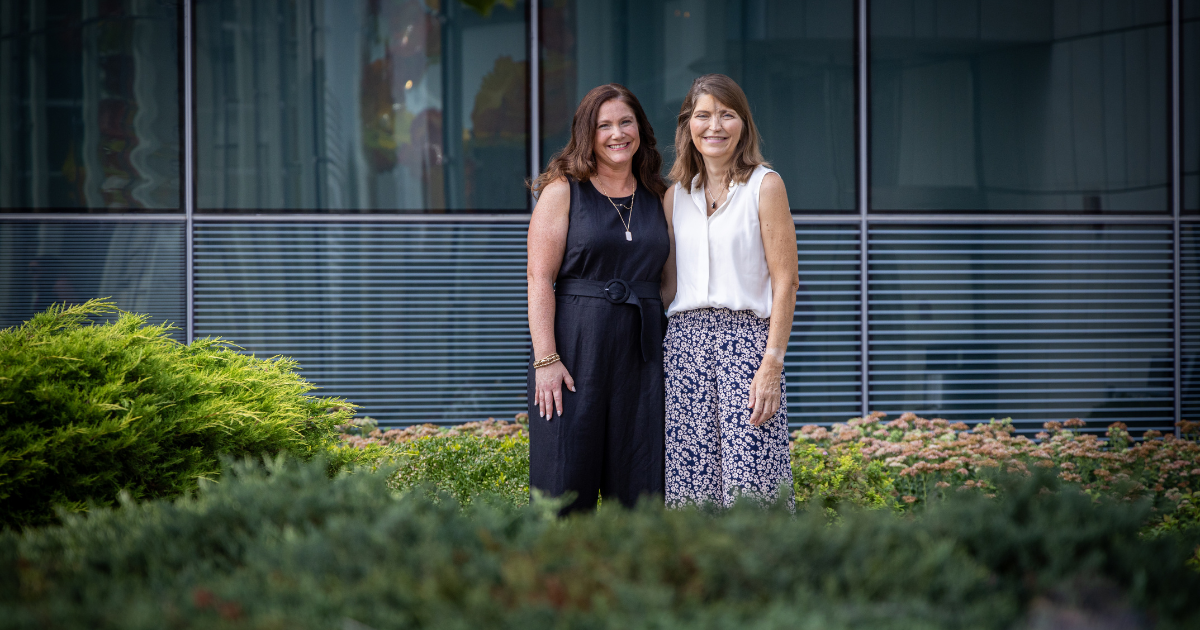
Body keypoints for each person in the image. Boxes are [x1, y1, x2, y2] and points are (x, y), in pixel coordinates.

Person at [526, 84, 670, 515]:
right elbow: (539, 278)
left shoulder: (660, 196)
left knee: (643, 489)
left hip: (644, 358)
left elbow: (670, 283)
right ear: (586, 135)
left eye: (626, 122)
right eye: (603, 125)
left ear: (640, 128)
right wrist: (546, 360)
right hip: (574, 354)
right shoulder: (563, 191)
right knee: (565, 487)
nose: (616, 133)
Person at [661, 74, 799, 509]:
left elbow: (786, 282)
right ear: (688, 125)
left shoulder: (765, 185)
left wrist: (772, 365)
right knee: (689, 489)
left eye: (727, 114)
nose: (714, 126)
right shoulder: (674, 196)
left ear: (743, 124)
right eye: (703, 115)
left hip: (747, 349)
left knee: (753, 486)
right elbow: (666, 287)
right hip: (684, 349)